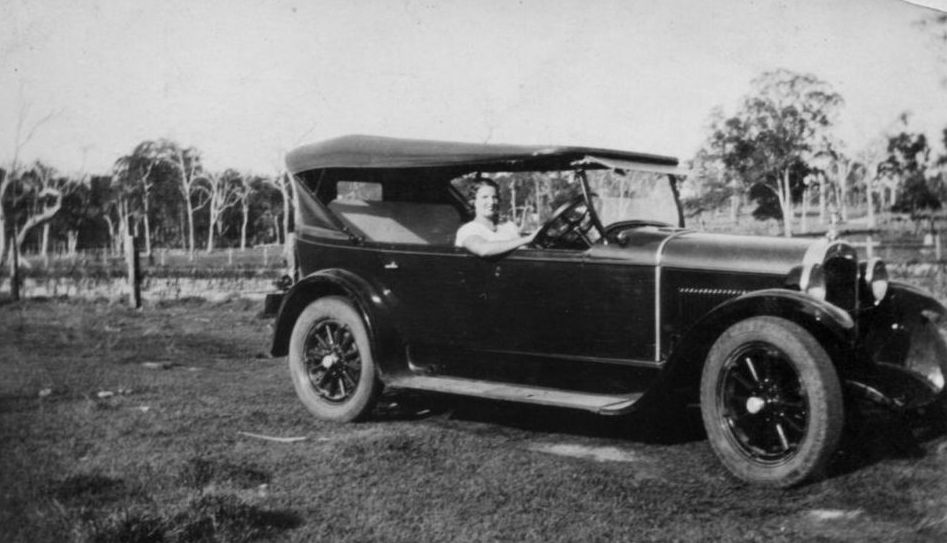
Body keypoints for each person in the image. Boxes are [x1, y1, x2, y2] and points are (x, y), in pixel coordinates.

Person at [455, 178, 536, 256]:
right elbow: (483, 250)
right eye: (485, 197)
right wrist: (528, 239)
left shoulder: (509, 226)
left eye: (495, 197)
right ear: (473, 201)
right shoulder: (468, 229)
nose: (491, 202)